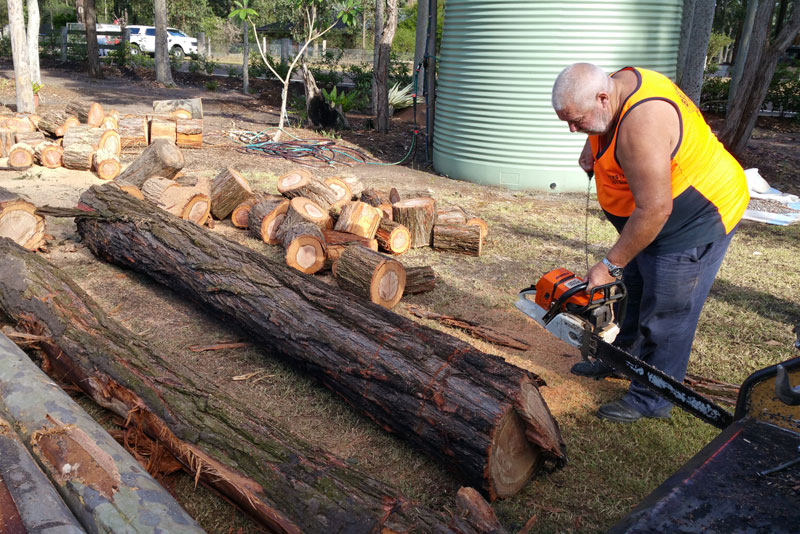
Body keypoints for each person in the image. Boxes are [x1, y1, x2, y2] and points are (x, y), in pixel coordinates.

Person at [550, 63, 749, 423]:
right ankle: (623, 362)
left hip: (696, 217)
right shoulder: (613, 88)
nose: (572, 128)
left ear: (602, 98)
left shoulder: (641, 127)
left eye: (577, 121)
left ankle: (652, 399)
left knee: (666, 313)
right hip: (658, 213)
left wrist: (609, 264)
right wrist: (590, 145)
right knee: (636, 289)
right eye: (568, 121)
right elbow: (600, 121)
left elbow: (655, 210)